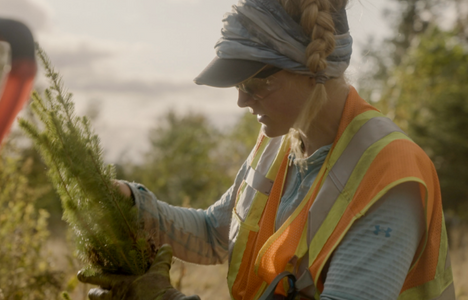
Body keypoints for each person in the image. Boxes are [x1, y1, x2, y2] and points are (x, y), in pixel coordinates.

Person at [78, 0, 456, 299]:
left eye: (255, 83)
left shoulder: (390, 175)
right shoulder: (279, 142)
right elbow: (214, 234)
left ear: (313, 71)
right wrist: (132, 205)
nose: (241, 101)